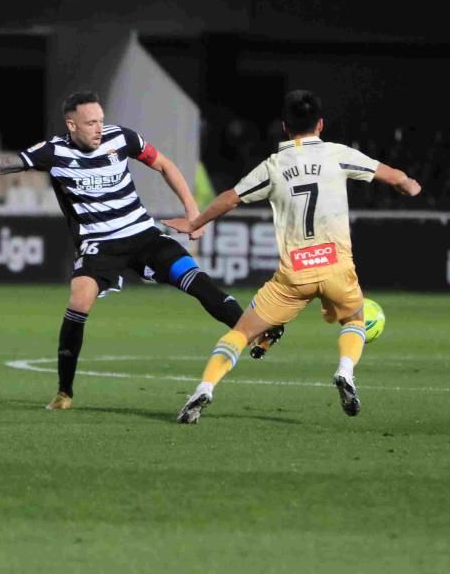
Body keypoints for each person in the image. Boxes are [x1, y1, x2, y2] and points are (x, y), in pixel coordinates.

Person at [0, 90, 282, 410]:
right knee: (78, 300)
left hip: (142, 236)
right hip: (99, 245)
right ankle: (64, 392)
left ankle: (258, 330)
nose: (99, 128)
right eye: (91, 122)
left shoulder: (122, 138)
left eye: (101, 120)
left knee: (195, 279)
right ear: (71, 124)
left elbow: (165, 164)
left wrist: (193, 212)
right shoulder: (54, 152)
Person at [164, 90, 421, 424]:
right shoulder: (336, 154)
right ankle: (345, 371)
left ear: (285, 127)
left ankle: (205, 387)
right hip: (336, 267)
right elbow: (395, 177)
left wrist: (197, 222)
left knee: (240, 334)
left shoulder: (274, 165)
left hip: (294, 275)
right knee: (355, 320)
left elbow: (230, 198)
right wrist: (410, 185)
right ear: (321, 124)